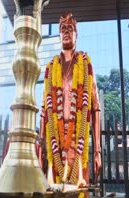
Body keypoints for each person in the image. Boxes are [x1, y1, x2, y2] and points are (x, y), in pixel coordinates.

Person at [39, 11, 102, 186]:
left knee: (78, 190)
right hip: (55, 142)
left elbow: (95, 108)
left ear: (76, 35)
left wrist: (97, 150)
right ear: (59, 35)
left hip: (78, 140)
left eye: (70, 28)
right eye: (63, 29)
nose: (66, 31)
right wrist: (41, 145)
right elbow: (45, 109)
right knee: (54, 189)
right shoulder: (51, 68)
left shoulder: (85, 63)